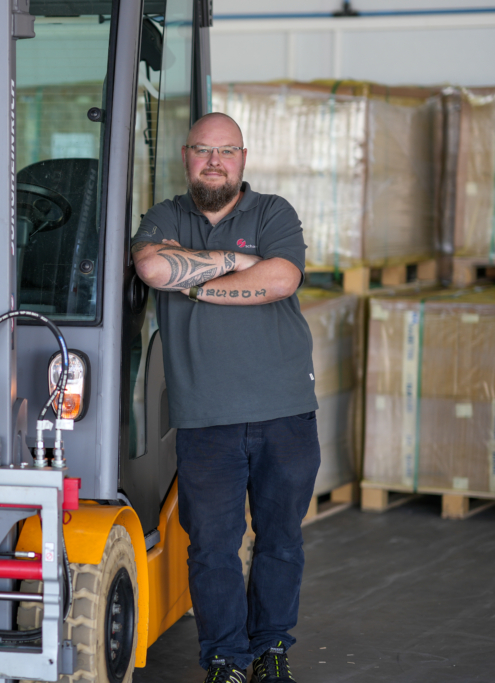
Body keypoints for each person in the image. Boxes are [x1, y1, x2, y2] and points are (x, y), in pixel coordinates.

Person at [131, 112, 319, 683]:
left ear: (243, 157)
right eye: (203, 150)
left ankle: (271, 651)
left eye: (227, 151)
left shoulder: (273, 211)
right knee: (211, 549)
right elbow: (152, 266)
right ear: (186, 157)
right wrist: (243, 264)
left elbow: (283, 278)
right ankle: (225, 661)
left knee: (280, 540)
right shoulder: (164, 216)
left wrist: (195, 282)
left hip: (284, 409)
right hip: (205, 417)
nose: (215, 161)